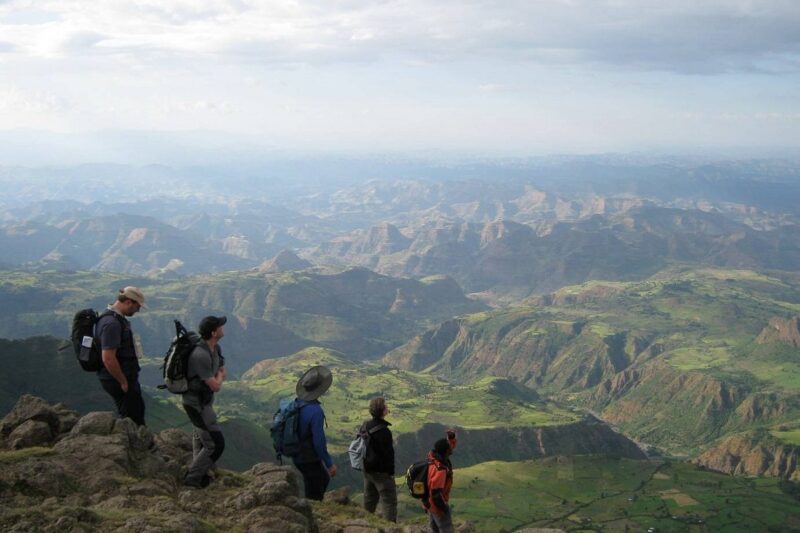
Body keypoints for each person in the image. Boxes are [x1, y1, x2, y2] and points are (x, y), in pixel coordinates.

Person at [182, 315, 227, 488]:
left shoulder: (215, 349)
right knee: (215, 444)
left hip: (203, 402)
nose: (223, 328)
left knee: (200, 438)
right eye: (220, 327)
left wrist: (219, 375)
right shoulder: (200, 355)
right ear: (214, 332)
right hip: (195, 404)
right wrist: (220, 376)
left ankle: (200, 474)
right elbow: (216, 384)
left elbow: (221, 370)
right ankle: (192, 479)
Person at [96, 286, 146, 426]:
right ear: (129, 302)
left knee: (135, 411)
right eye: (137, 306)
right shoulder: (112, 323)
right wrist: (122, 381)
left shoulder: (115, 319)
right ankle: (133, 444)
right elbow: (108, 357)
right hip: (119, 378)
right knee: (132, 417)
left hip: (122, 376)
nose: (138, 310)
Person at [293, 365, 337, 500]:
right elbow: (319, 442)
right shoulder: (315, 411)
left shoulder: (297, 403)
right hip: (308, 456)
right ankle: (311, 514)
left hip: (296, 453)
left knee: (316, 481)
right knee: (317, 487)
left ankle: (309, 509)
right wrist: (329, 464)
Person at [361, 396, 397, 522]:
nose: (387, 407)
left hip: (367, 469)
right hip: (381, 472)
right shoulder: (384, 432)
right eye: (385, 406)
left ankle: (364, 524)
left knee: (369, 500)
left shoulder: (365, 426)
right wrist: (391, 473)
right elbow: (388, 455)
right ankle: (391, 528)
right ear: (382, 411)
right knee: (389, 502)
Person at [425, 429, 458, 533]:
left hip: (429, 502)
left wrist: (451, 438)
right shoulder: (440, 470)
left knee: (435, 527)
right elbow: (435, 494)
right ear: (446, 451)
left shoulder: (434, 458)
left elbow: (448, 447)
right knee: (446, 528)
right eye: (449, 446)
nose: (451, 447)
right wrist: (444, 508)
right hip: (436, 504)